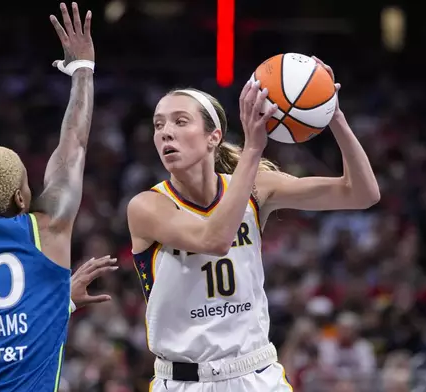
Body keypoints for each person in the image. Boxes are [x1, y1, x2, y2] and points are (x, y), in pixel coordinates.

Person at [127, 57, 379, 392]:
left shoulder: (257, 187)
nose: (165, 132)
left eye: (180, 121)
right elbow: (215, 238)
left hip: (256, 374)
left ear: (213, 136)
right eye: (159, 125)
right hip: (185, 380)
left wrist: (331, 114)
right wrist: (254, 149)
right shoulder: (148, 206)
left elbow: (362, 193)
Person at [0, 3, 113, 391]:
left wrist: (60, 301)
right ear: (20, 198)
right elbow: (74, 146)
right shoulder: (46, 229)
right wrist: (83, 71)